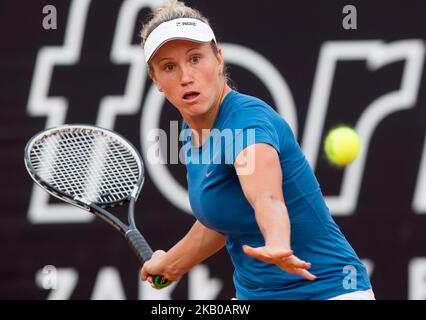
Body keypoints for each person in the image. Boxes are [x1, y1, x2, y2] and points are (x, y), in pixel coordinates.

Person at [139, 0, 374, 300]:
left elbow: (266, 196)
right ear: (155, 79)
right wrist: (171, 264)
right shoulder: (190, 133)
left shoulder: (248, 122)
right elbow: (220, 218)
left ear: (219, 59)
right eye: (169, 67)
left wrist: (277, 240)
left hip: (328, 291)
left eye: (195, 58)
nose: (186, 76)